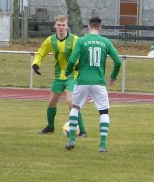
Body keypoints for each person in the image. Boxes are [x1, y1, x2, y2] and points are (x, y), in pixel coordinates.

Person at [64, 16, 121, 152]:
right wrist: (113, 77)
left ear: (88, 26)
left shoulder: (82, 41)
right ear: (100, 28)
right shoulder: (106, 42)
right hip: (98, 82)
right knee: (103, 111)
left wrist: (68, 71)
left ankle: (72, 139)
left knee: (75, 107)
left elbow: (72, 60)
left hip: (82, 80)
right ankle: (102, 145)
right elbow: (118, 61)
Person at [33, 15, 87, 137]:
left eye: (63, 25)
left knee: (71, 101)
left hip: (72, 75)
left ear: (67, 26)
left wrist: (80, 64)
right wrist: (36, 63)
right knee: (52, 103)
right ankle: (50, 127)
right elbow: (41, 52)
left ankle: (82, 130)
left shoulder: (75, 40)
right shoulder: (50, 40)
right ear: (55, 26)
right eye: (59, 25)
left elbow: (84, 53)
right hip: (58, 76)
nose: (61, 27)